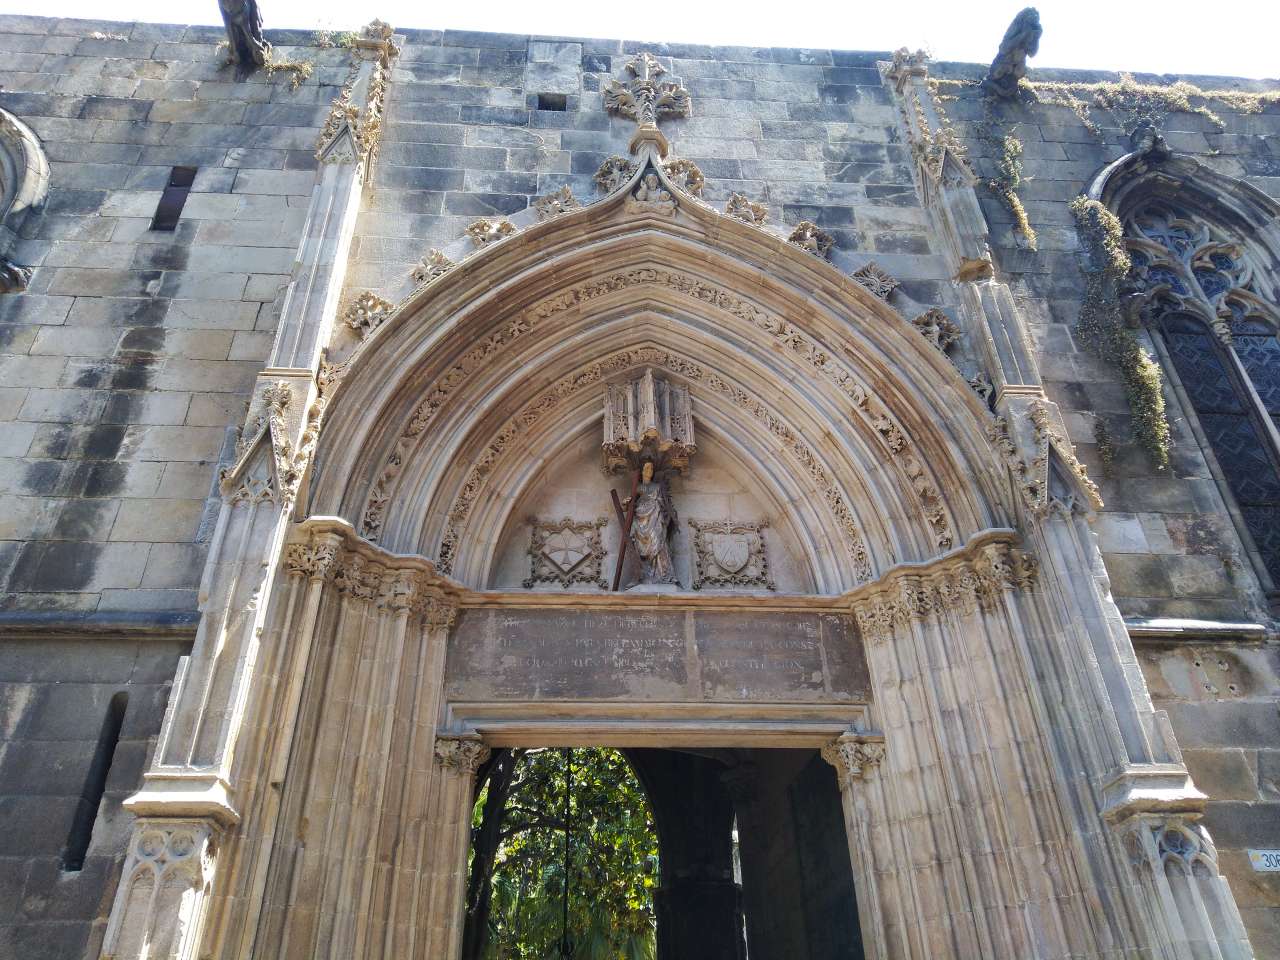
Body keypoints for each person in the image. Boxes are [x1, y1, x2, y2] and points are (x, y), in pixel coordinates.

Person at [627, 460, 677, 585]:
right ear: (642, 471)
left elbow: (664, 503)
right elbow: (629, 504)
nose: (649, 471)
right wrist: (626, 503)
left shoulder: (657, 487)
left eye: (651, 469)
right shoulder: (637, 487)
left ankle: (663, 574)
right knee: (639, 546)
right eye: (647, 468)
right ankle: (642, 575)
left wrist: (664, 511)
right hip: (640, 520)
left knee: (658, 542)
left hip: (656, 517)